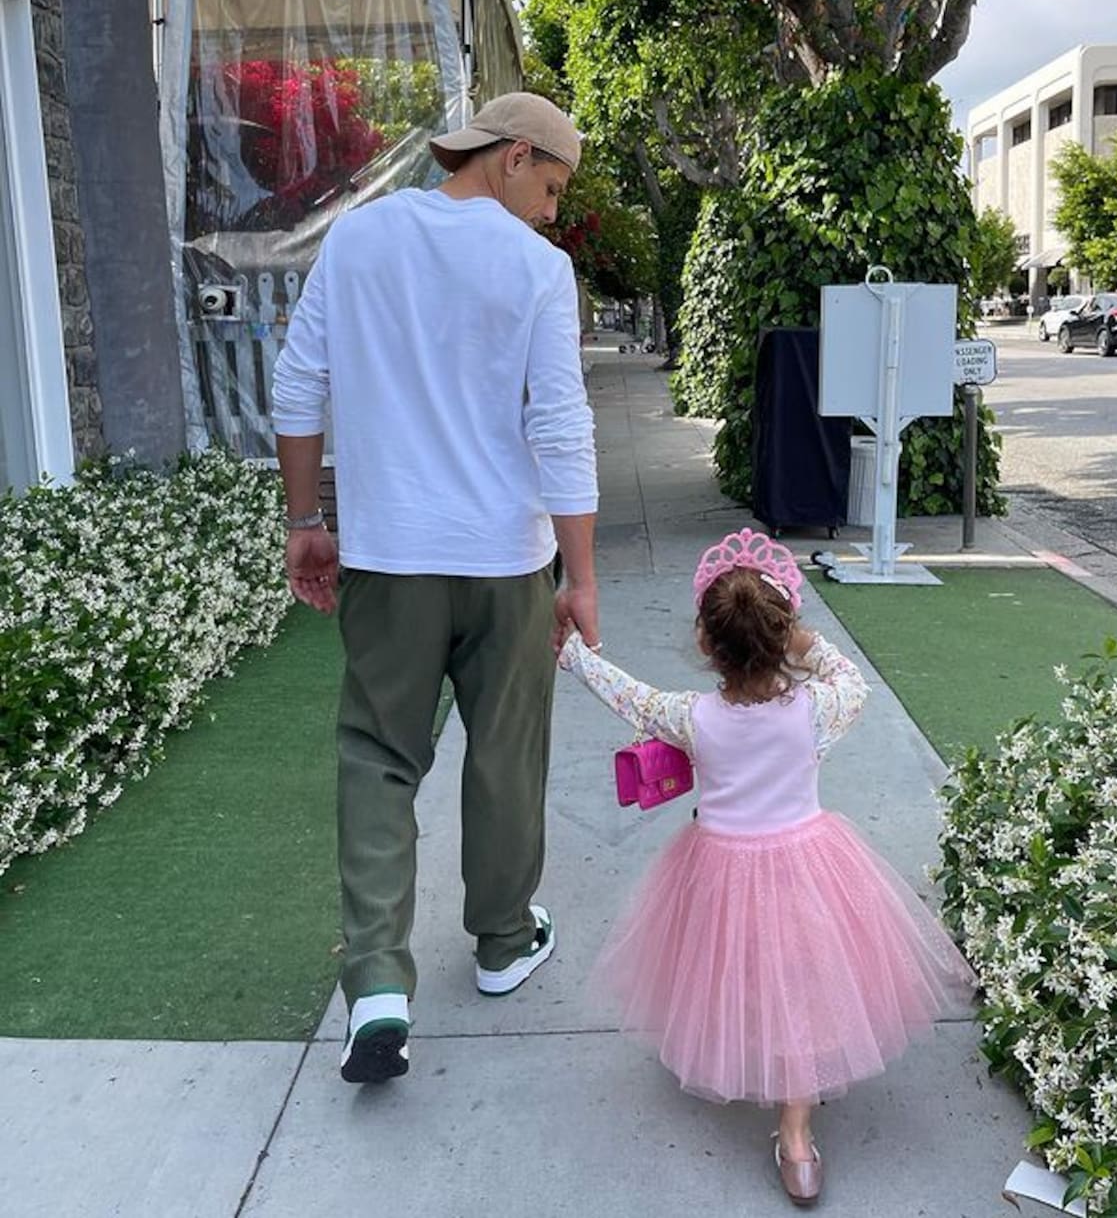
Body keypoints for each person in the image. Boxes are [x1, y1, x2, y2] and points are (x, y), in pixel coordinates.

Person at [272, 91, 599, 1085]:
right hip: (506, 562)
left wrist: (304, 521)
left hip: (388, 557)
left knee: (377, 755)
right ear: (509, 156)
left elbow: (297, 386)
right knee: (505, 749)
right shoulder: (539, 271)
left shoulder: (361, 241)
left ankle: (375, 980)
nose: (550, 213)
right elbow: (560, 427)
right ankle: (501, 941)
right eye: (549, 186)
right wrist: (579, 577)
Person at [557, 528, 973, 1206]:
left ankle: (728, 1051)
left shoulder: (689, 716)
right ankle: (798, 1137)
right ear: (784, 633)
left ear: (704, 644)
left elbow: (626, 696)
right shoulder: (815, 709)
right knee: (803, 987)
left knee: (723, 968)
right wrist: (801, 643)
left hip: (717, 866)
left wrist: (577, 653)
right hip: (809, 865)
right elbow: (851, 680)